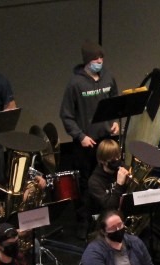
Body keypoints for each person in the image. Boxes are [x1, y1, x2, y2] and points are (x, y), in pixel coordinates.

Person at [59, 40, 118, 188]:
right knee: (87, 181)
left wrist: (115, 121)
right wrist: (81, 136)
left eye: (101, 57)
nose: (99, 61)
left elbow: (114, 102)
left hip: (105, 140)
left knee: (108, 178)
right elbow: (66, 115)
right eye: (95, 58)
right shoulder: (75, 83)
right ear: (87, 60)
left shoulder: (108, 77)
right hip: (86, 143)